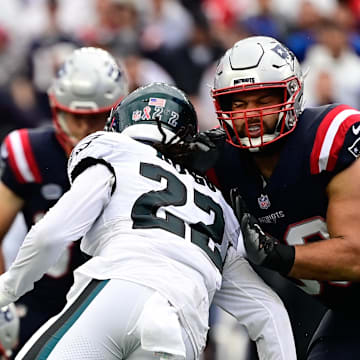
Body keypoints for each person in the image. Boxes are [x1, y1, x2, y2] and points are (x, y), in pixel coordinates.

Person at [0, 83, 296, 359]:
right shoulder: (217, 203)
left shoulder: (117, 153)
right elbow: (269, 312)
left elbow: (49, 235)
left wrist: (7, 291)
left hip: (119, 290)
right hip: (183, 330)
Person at [185, 35, 360, 359]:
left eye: (263, 99)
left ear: (292, 95)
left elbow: (356, 256)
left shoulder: (329, 139)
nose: (250, 114)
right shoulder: (221, 163)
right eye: (238, 103)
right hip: (348, 310)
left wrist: (281, 256)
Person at [0, 46, 129, 355]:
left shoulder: (134, 157)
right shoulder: (31, 152)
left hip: (110, 313)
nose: (84, 130)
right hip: (39, 307)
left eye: (96, 117)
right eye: (75, 117)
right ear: (56, 109)